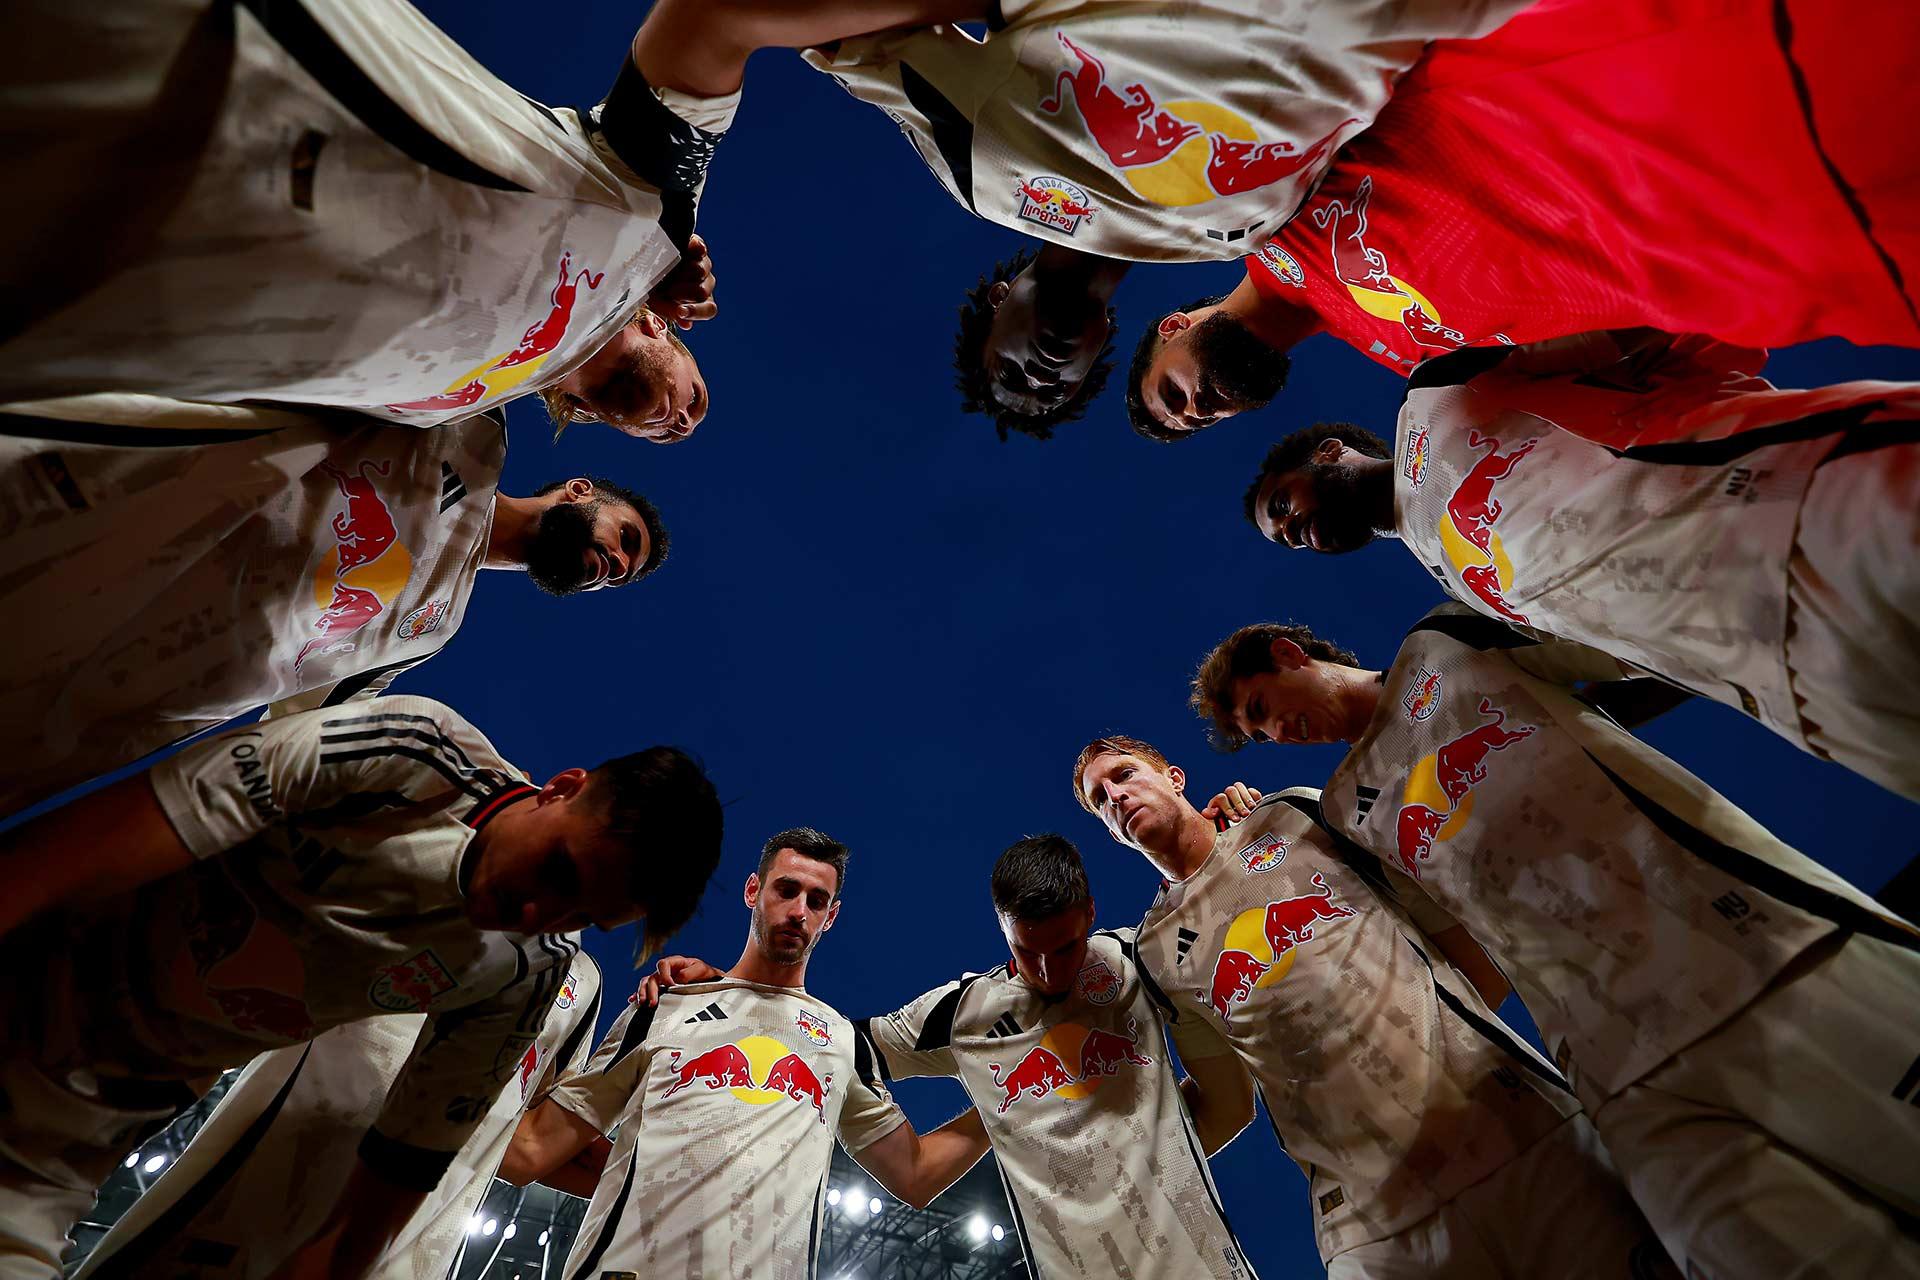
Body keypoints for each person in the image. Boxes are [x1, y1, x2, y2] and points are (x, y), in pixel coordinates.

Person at [1187, 606, 1920, 1275]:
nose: (1276, 735)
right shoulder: (1348, 809)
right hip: (1614, 1064)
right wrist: (1228, 855)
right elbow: (1392, 944)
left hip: (1756, 957)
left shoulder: (1448, 645)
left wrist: (1591, 715)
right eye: (1258, 736)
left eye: (1263, 709)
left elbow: (1659, 641)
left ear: (1288, 654)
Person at [0, 694, 724, 1279]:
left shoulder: (527, 973)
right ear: (561, 789)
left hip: (67, 1136)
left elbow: (387, 1190)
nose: (539, 915)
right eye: (558, 872)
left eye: (581, 915)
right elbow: (108, 831)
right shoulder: (410, 756)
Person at [986, 0, 1916, 440]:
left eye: (1171, 391)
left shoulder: (1254, 205)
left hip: (1752, 74)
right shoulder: (1427, 370)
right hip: (1832, 263)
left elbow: (1124, 142)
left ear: (1172, 323)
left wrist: (1066, 273)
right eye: (1197, 422)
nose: (1201, 405)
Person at [1072, 734, 1675, 1278]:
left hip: (1518, 1137)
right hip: (1372, 1224)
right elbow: (1228, 1107)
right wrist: (1107, 1167)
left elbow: (1474, 958)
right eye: (1101, 801)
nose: (1117, 797)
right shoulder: (1154, 950)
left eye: (1124, 775)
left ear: (1174, 776)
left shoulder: (1293, 817)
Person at [1237, 330, 1920, 802]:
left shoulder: (1440, 386)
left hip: (1802, 509)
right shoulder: (1463, 594)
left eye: (1282, 505)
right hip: (1794, 684)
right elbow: (1611, 677)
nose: (1293, 530)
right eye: (1285, 540)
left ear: (1326, 452)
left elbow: (1628, 314)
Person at [1, 0, 727, 438]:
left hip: (67, 288)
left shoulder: (433, 424)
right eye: (695, 397)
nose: (683, 422)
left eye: (671, 434)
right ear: (664, 327)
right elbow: (714, 23)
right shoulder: (639, 219)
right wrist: (655, 260)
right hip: (191, 73)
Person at [0, 397, 673, 819]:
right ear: (581, 489)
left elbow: (307, 734)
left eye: (619, 578)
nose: (612, 566)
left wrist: (479, 800)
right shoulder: (468, 430)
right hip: (89, 527)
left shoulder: (431, 630)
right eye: (625, 540)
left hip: (82, 696)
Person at [649, 832, 1265, 1277]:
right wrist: (736, 991)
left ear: (1092, 915)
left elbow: (1233, 1106)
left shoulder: (1141, 962)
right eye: (1029, 953)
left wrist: (1132, 1150)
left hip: (1204, 1264)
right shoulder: (964, 1011)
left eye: (1068, 947)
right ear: (1003, 932)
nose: (1050, 970)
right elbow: (830, 1043)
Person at [497, 827, 991, 1278]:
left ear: (831, 917)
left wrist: (1002, 1102)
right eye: (786, 889)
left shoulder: (842, 1042)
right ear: (754, 891)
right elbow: (530, 1151)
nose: (799, 910)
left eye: (817, 900)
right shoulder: (663, 1006)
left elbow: (916, 1174)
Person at [71, 957, 604, 1280]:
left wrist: (651, 1060)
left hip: (412, 1233)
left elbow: (520, 1145)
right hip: (272, 1177)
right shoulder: (456, 868)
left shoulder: (582, 979)